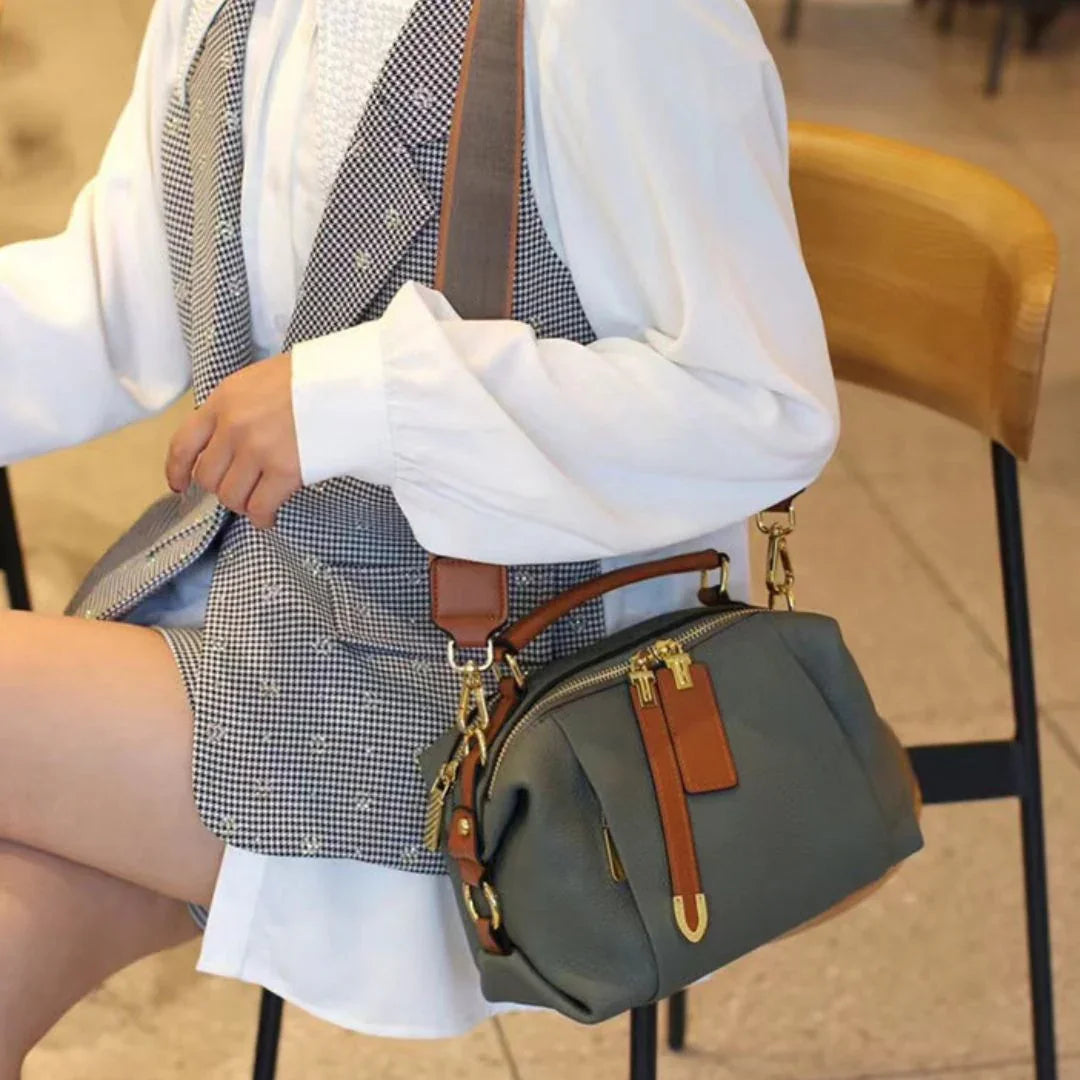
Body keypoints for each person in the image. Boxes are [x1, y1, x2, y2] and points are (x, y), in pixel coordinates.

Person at [0, 0, 838, 1072]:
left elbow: (757, 410)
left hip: (502, 716)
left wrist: (370, 397)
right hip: (250, 615)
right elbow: (113, 296)